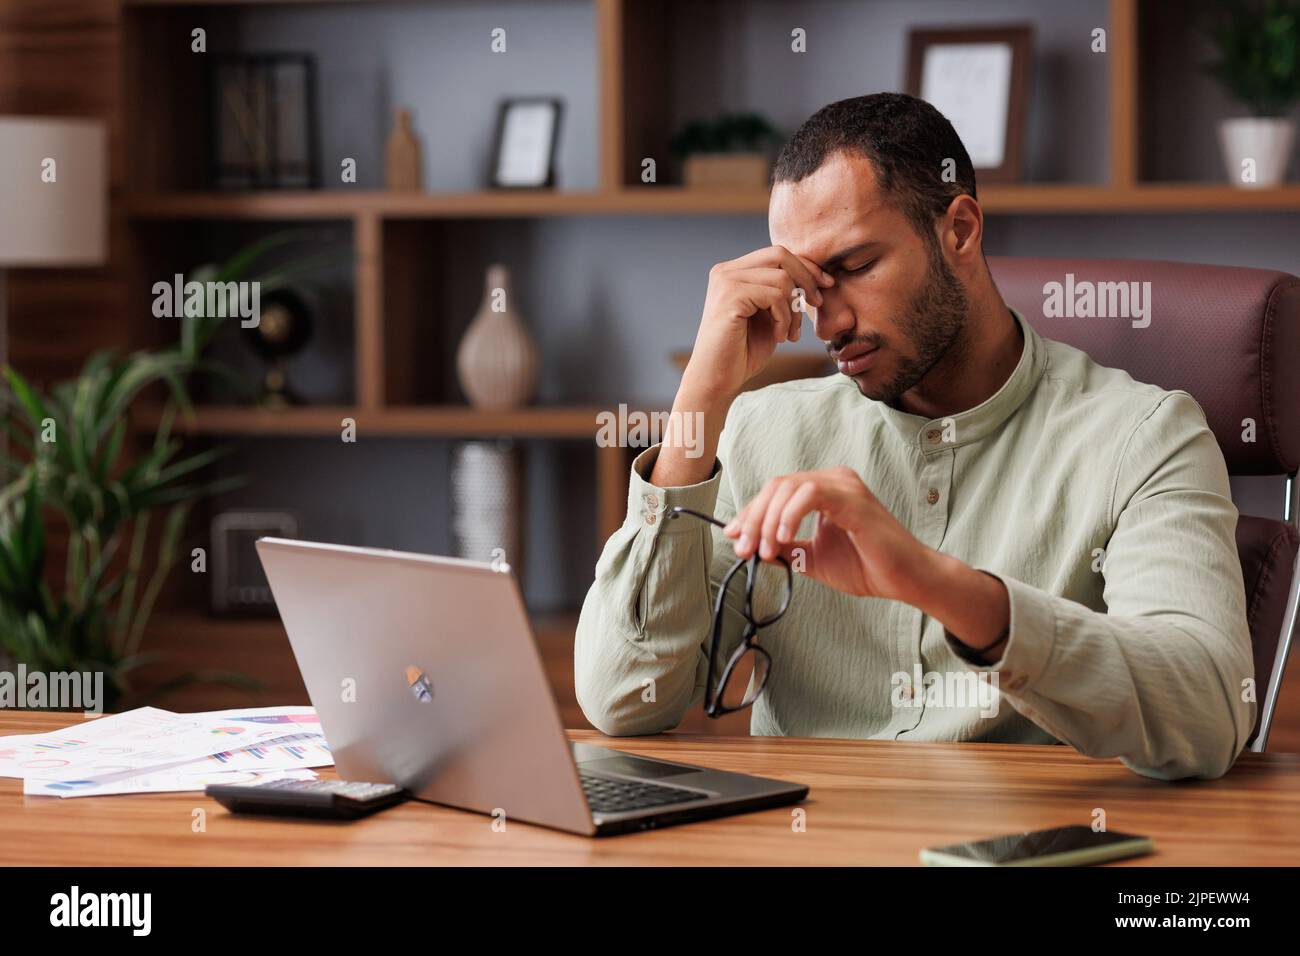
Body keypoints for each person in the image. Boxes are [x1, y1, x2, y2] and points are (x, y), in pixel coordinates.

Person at [574, 93, 1255, 780]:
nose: (826, 322)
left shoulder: (1143, 436)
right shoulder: (762, 429)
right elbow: (626, 701)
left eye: (855, 267)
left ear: (958, 230)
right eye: (808, 285)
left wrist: (942, 586)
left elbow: (1209, 714)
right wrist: (701, 400)